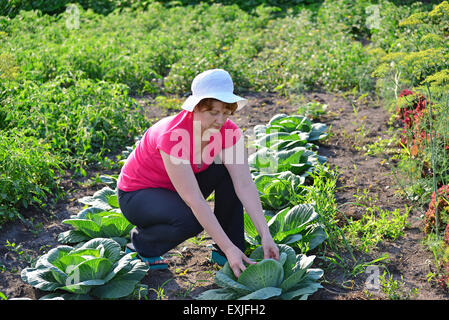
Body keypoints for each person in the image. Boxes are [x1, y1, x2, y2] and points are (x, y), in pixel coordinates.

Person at [117, 69, 279, 278]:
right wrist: (230, 248)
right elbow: (194, 200)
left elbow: (244, 184)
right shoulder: (173, 135)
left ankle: (227, 252)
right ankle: (142, 245)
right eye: (213, 112)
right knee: (191, 221)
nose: (220, 120)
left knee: (228, 170)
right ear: (195, 107)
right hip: (139, 194)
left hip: (178, 187)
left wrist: (265, 235)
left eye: (226, 112)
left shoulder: (229, 132)